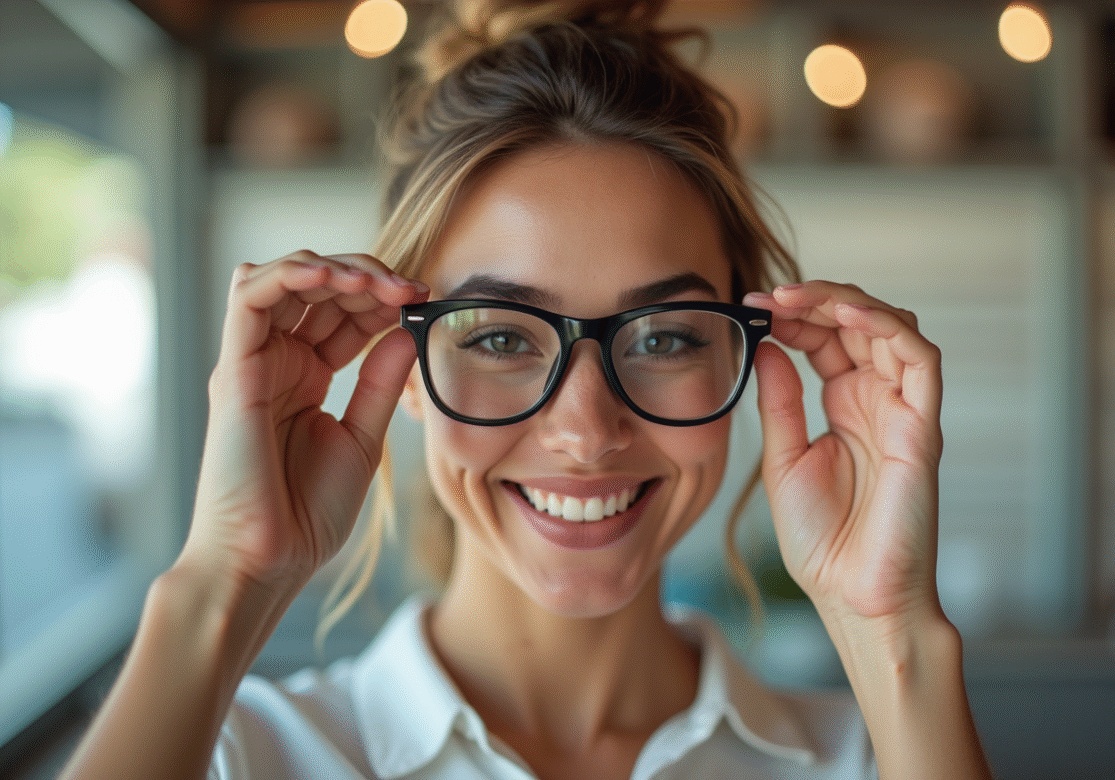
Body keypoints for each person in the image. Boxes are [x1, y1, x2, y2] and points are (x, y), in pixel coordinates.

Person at [61, 1, 992, 778]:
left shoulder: (873, 758)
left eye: (664, 336)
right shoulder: (241, 757)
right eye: (503, 337)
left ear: (751, 359)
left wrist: (894, 636)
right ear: (403, 370)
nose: (587, 431)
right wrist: (221, 582)